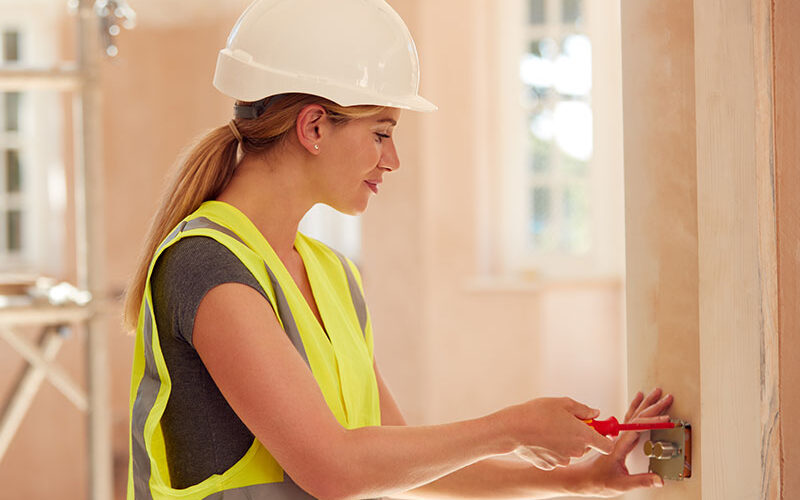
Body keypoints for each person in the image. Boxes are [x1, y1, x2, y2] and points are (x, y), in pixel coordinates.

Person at [124, 0, 673, 498]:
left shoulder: (333, 275)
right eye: (382, 132)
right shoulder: (207, 267)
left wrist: (575, 481)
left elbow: (397, 454)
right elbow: (335, 469)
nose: (393, 160)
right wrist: (509, 428)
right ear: (314, 127)